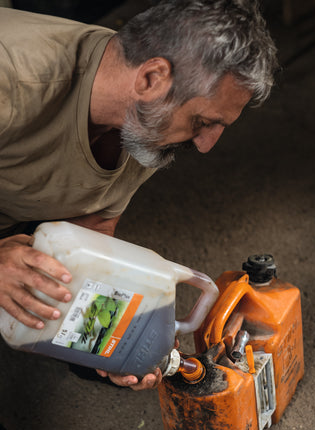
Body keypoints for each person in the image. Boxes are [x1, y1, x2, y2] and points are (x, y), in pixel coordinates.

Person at [0, 0, 277, 390]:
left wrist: (105, 340)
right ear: (151, 79)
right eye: (202, 122)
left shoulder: (143, 124)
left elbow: (92, 225)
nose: (206, 146)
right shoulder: (13, 80)